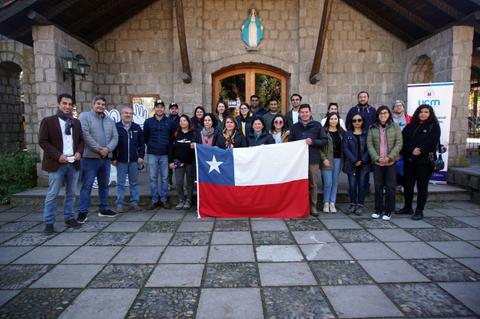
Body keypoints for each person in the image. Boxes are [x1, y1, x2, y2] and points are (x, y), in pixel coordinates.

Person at [39, 93, 84, 233]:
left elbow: (81, 141)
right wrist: (58, 156)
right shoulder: (48, 121)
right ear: (59, 104)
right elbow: (43, 141)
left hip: (73, 163)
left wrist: (79, 153)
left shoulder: (76, 122)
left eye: (70, 104)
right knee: (52, 194)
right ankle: (49, 222)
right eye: (64, 103)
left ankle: (69, 218)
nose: (67, 106)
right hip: (57, 163)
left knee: (71, 193)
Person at [78, 96, 119, 223]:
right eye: (98, 104)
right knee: (87, 186)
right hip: (90, 158)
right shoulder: (84, 117)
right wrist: (99, 149)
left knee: (104, 186)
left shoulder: (109, 120)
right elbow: (85, 135)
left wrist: (107, 149)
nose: (101, 106)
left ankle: (103, 208)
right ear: (93, 104)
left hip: (105, 159)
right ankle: (83, 212)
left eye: (103, 104)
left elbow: (115, 137)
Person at [399, 104, 441, 220]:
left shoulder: (434, 126)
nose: (423, 114)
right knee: (408, 185)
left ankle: (419, 210)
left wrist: (419, 150)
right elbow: (403, 140)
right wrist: (411, 149)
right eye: (421, 111)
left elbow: (432, 142)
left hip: (424, 161)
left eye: (426, 112)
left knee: (422, 187)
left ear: (430, 113)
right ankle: (407, 207)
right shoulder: (410, 125)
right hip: (410, 160)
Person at [289, 104, 328, 216]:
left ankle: (313, 207)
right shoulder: (295, 127)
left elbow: (324, 140)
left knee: (312, 184)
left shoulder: (317, 125)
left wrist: (314, 142)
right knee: (300, 185)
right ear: (299, 114)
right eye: (302, 112)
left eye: (306, 112)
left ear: (310, 113)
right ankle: (301, 206)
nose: (304, 114)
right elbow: (291, 142)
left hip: (313, 159)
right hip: (298, 161)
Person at [367, 105, 403, 221]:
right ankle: (378, 209)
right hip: (377, 162)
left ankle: (388, 210)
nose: (383, 115)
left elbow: (399, 143)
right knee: (378, 187)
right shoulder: (372, 128)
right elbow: (370, 144)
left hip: (390, 162)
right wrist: (376, 158)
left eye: (385, 113)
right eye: (381, 113)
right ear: (378, 115)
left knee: (390, 187)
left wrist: (390, 157)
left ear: (389, 115)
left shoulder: (395, 127)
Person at [112, 106, 145, 213]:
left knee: (134, 183)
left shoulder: (136, 128)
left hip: (134, 161)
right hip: (120, 160)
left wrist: (141, 156)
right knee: (121, 183)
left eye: (130, 113)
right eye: (126, 113)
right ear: (121, 114)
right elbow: (112, 143)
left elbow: (141, 144)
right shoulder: (116, 127)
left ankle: (134, 203)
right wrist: (113, 158)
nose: (128, 115)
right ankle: (120, 204)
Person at [144, 99, 176, 210]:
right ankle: (154, 200)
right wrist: (152, 145)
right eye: (157, 107)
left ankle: (163, 199)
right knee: (153, 178)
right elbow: (145, 137)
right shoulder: (148, 122)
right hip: (152, 153)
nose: (159, 109)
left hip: (165, 154)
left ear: (164, 109)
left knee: (164, 178)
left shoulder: (170, 122)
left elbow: (172, 137)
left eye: (161, 107)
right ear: (154, 108)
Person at [343, 113, 370, 215]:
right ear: (351, 122)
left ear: (362, 121)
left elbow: (369, 148)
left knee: (362, 185)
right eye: (354, 120)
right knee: (352, 186)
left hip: (364, 164)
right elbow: (345, 149)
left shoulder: (367, 133)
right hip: (352, 164)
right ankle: (353, 204)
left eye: (359, 120)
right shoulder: (347, 134)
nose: (357, 122)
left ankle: (360, 205)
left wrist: (362, 160)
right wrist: (354, 160)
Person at [169, 115, 195, 210]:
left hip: (190, 162)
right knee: (179, 182)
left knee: (189, 182)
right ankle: (181, 200)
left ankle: (189, 200)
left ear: (188, 122)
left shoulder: (193, 133)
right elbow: (171, 148)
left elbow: (197, 147)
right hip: (178, 162)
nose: (182, 122)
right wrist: (170, 161)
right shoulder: (176, 133)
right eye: (181, 121)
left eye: (184, 120)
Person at [320, 113, 344, 213]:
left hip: (338, 159)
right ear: (328, 120)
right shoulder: (323, 132)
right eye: (331, 119)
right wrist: (323, 159)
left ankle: (332, 203)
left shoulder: (341, 132)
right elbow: (319, 148)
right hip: (327, 160)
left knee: (335, 183)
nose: (333, 121)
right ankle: (326, 202)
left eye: (335, 119)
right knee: (328, 183)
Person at [391, 100, 411, 191]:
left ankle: (402, 184)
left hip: (405, 145)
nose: (398, 107)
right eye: (396, 106)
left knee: (403, 166)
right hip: (392, 145)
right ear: (393, 108)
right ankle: (394, 184)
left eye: (400, 105)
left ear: (403, 108)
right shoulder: (389, 119)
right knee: (393, 165)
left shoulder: (410, 119)